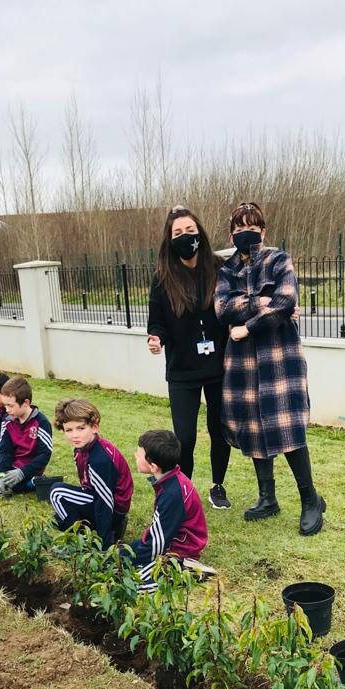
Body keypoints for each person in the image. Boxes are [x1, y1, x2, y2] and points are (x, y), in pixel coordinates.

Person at [215, 201, 325, 535]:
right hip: (243, 364)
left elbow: (285, 303)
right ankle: (267, 498)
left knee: (288, 427)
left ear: (263, 230)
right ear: (231, 232)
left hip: (280, 359)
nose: (244, 233)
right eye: (237, 228)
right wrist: (261, 303)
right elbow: (222, 308)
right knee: (253, 427)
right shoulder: (226, 270)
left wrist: (247, 325)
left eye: (250, 226)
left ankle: (310, 500)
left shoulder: (279, 260)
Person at [147, 206, 231, 510]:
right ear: (170, 240)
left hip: (219, 366)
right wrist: (156, 339)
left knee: (220, 430)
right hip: (182, 369)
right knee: (184, 437)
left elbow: (239, 301)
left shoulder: (220, 268)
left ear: (200, 233)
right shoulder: (162, 278)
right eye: (178, 233)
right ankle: (184, 491)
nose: (185, 237)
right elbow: (156, 320)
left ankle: (217, 486)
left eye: (190, 231)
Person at [123, 429, 212, 591]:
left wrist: (128, 559)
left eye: (139, 453)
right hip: (168, 542)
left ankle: (190, 570)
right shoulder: (170, 481)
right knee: (119, 561)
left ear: (153, 466)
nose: (135, 455)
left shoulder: (173, 493)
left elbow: (157, 544)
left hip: (179, 550)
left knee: (132, 584)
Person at [49, 398, 134, 548]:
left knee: (57, 492)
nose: (75, 435)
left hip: (113, 509)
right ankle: (86, 526)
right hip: (98, 497)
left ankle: (81, 541)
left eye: (80, 428)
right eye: (69, 430)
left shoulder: (99, 459)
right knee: (59, 516)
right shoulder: (83, 447)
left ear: (94, 427)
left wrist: (104, 542)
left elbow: (105, 501)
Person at [0, 375, 53, 498]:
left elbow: (45, 455)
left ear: (26, 403)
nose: (6, 410)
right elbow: (4, 450)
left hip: (26, 470)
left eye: (10, 406)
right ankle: (23, 482)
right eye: (5, 405)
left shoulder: (41, 422)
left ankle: (32, 483)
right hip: (11, 464)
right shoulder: (8, 420)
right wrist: (2, 473)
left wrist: (22, 473)